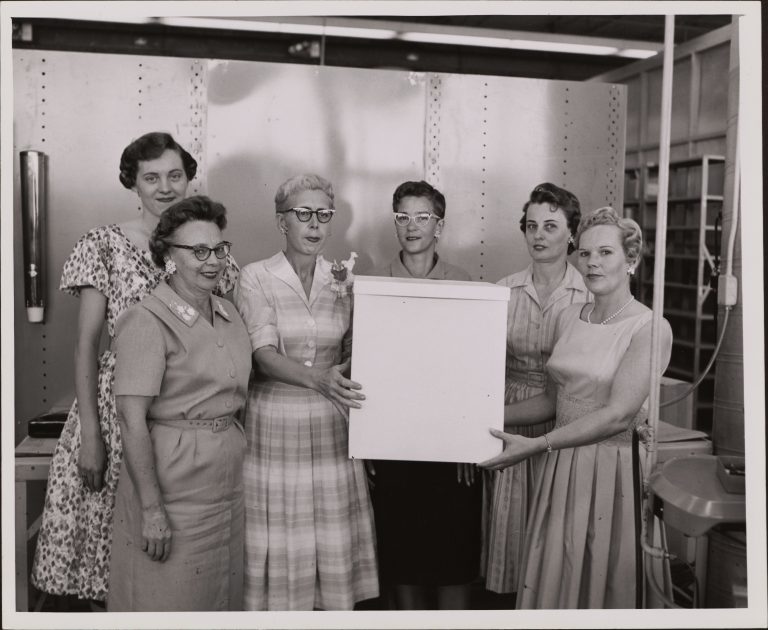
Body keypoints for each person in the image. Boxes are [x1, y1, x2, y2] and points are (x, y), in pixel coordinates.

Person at [31, 132, 238, 605]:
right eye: (151, 177)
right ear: (133, 183)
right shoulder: (105, 244)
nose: (164, 187)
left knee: (168, 557)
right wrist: (90, 433)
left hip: (182, 416)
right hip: (113, 412)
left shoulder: (211, 250)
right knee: (104, 549)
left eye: (174, 175)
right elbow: (86, 345)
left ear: (188, 179)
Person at [480, 206, 673, 609]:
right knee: (557, 576)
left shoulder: (649, 327)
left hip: (610, 471)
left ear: (632, 260)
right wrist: (481, 418)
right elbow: (554, 400)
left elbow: (618, 414)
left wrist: (538, 446)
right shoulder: (570, 316)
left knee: (599, 580)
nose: (592, 263)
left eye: (605, 253)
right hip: (562, 465)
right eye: (584, 254)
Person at [234, 174, 378, 610]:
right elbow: (263, 355)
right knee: (282, 540)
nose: (314, 224)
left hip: (332, 427)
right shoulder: (255, 276)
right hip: (274, 427)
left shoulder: (345, 280)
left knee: (330, 544)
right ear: (282, 222)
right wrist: (320, 380)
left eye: (323, 215)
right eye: (303, 214)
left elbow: (358, 352)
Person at [107, 196, 250, 611]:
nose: (214, 262)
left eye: (220, 249)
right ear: (168, 256)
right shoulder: (146, 319)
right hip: (173, 488)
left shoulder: (226, 312)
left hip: (225, 484)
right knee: (168, 598)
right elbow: (130, 418)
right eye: (198, 251)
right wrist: (152, 510)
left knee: (219, 596)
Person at [368, 180, 480, 610]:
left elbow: (473, 370)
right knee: (403, 561)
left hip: (451, 453)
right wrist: (369, 440)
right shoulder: (374, 284)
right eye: (403, 217)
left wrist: (469, 443)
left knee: (454, 559)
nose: (412, 226)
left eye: (423, 217)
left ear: (440, 226)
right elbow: (363, 366)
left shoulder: (464, 282)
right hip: (394, 447)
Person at [483, 183, 590, 598]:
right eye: (531, 226)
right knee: (509, 531)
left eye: (550, 225)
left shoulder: (587, 295)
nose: (539, 235)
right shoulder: (503, 290)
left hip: (565, 420)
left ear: (571, 234)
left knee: (556, 529)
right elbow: (481, 365)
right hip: (507, 410)